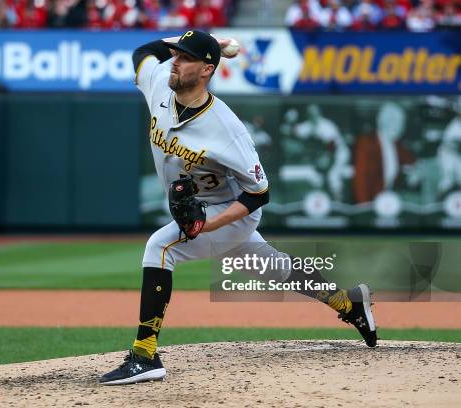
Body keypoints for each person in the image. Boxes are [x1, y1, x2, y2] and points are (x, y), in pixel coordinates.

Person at [98, 30, 378, 386]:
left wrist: (208, 226)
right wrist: (206, 38)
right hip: (201, 211)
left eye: (186, 57)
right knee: (276, 270)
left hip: (229, 214)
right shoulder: (158, 83)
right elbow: (142, 51)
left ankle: (145, 354)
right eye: (176, 54)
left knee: (160, 247)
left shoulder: (227, 130)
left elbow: (259, 194)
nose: (175, 61)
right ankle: (349, 304)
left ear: (206, 70)